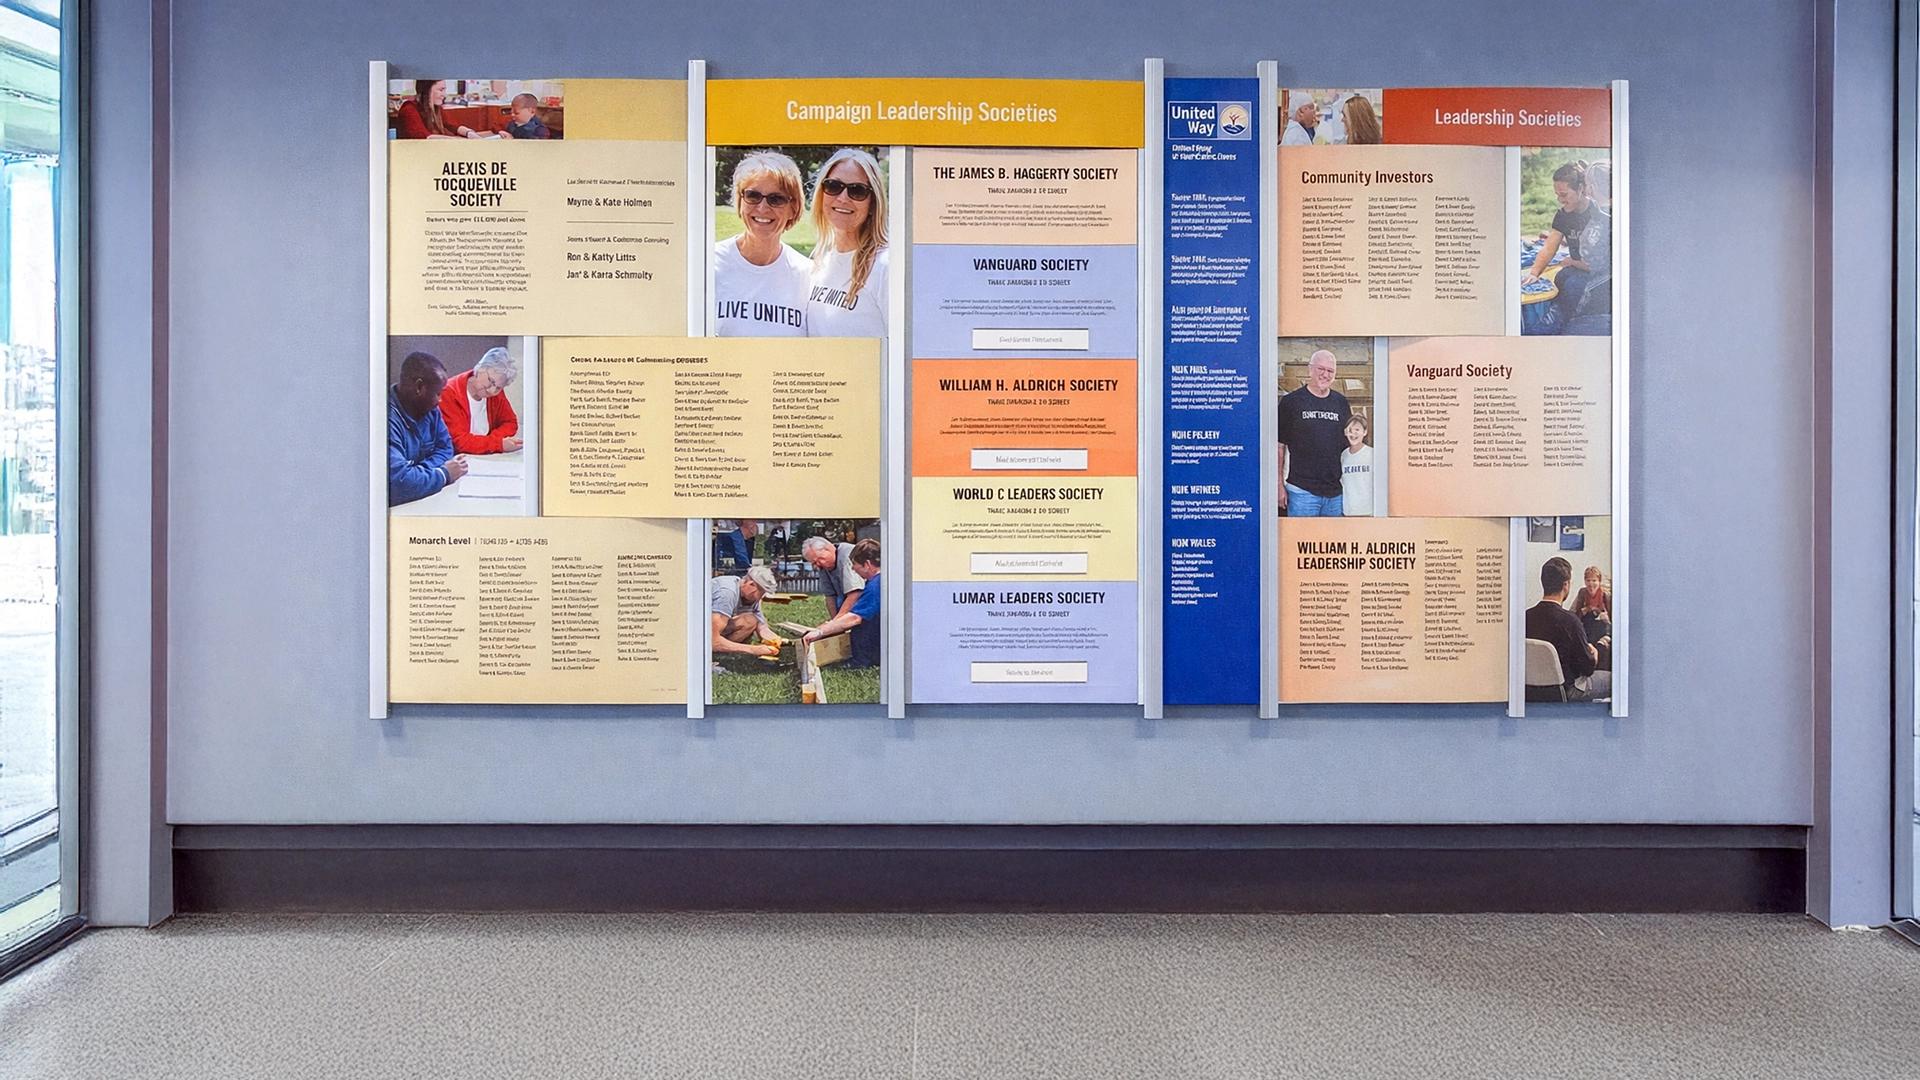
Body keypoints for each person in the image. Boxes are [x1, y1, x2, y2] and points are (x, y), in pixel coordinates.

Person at [713, 151, 811, 337]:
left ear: (793, 208)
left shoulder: (808, 275)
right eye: (753, 196)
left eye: (776, 199)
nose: (763, 208)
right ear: (740, 201)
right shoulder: (708, 265)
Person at [805, 148, 889, 338]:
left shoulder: (885, 267)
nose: (843, 198)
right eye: (833, 186)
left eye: (857, 191)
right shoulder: (819, 264)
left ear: (873, 203)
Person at [1521, 159, 1611, 328]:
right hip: (1579, 266)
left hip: (1599, 270)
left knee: (1572, 285)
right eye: (1557, 195)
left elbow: (1601, 261)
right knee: (1561, 277)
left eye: (1564, 195)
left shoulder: (1598, 212)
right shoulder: (1563, 215)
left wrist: (1572, 261)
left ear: (1581, 189)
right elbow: (1549, 247)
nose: (1559, 200)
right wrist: (1534, 273)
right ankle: (1559, 314)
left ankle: (1563, 322)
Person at [1277, 349, 1351, 516]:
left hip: (1335, 494)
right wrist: (1278, 485)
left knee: (1333, 535)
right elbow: (1279, 447)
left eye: (1330, 371)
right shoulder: (1291, 402)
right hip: (1302, 493)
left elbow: (1348, 447)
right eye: (1321, 369)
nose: (1325, 374)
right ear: (1310, 370)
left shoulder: (1341, 403)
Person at [388, 351, 467, 505]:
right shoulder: (385, 419)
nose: (440, 400)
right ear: (419, 387)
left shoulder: (430, 409)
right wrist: (443, 474)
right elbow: (398, 483)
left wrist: (417, 472)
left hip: (424, 499)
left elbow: (446, 449)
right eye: (438, 393)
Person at [1525, 557, 1610, 700]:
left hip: (1532, 691)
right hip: (1567, 691)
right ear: (1566, 585)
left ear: (1543, 582)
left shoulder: (1525, 617)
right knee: (1613, 679)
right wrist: (1594, 655)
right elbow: (1587, 669)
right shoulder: (1571, 621)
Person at [801, 538, 880, 668]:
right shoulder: (877, 582)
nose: (853, 568)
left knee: (862, 628)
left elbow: (855, 617)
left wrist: (822, 631)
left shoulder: (874, 586)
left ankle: (863, 661)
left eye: (855, 565)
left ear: (867, 565)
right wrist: (834, 626)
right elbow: (830, 596)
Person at [437, 347, 522, 455]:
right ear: (480, 368)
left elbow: (510, 422)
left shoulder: (495, 393)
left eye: (498, 387)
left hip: (484, 457)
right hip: (456, 458)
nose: (492, 390)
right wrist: (498, 444)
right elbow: (459, 442)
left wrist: (489, 441)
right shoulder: (448, 392)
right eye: (491, 381)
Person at [710, 565, 781, 659]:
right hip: (696, 633)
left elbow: (761, 625)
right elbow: (712, 640)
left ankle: (723, 652)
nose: (760, 598)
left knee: (750, 620)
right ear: (751, 584)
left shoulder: (750, 596)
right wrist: (753, 650)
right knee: (714, 641)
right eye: (761, 592)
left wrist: (774, 639)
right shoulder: (727, 593)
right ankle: (714, 652)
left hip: (709, 630)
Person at [394, 80, 481, 140]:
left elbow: (454, 126)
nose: (444, 95)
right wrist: (458, 141)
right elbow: (425, 138)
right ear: (427, 90)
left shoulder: (436, 108)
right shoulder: (409, 109)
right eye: (441, 90)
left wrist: (469, 133)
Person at [1574, 565, 1613, 661]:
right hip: (1587, 628)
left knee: (1602, 647)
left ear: (1599, 582)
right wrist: (1583, 611)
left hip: (1603, 628)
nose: (1591, 584)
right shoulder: (1582, 593)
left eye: (1594, 580)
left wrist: (1605, 617)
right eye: (1588, 580)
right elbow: (1575, 615)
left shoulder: (1606, 595)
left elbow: (1612, 620)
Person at [1339, 413, 1373, 516]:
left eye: (1357, 430)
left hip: (1369, 511)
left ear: (1365, 432)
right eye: (1350, 430)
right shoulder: (1343, 455)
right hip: (1349, 511)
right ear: (1345, 432)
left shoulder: (1372, 454)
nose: (1353, 434)